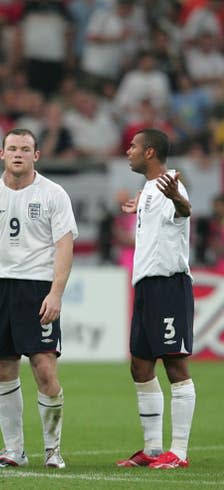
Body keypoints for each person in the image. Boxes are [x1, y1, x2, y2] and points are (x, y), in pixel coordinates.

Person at [0, 128, 78, 470]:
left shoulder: (54, 194)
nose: (18, 153)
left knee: (44, 369)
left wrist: (56, 292)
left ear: (36, 155)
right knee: (2, 368)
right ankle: (14, 450)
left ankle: (53, 450)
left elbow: (65, 246)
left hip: (37, 288)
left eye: (25, 148)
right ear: (2, 154)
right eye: (12, 148)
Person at [116, 129, 196, 469]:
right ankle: (151, 449)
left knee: (175, 364)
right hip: (147, 286)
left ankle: (177, 452)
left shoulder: (170, 184)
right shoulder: (149, 188)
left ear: (150, 152)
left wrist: (179, 199)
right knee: (140, 366)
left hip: (168, 286)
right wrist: (140, 208)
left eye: (134, 146)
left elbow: (184, 211)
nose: (128, 151)